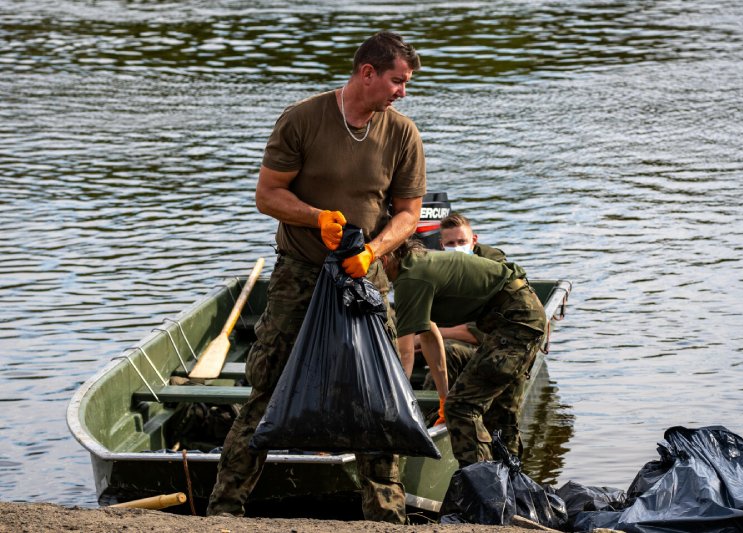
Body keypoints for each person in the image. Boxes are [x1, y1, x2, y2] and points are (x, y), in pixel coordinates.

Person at [206, 31, 426, 523]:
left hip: (365, 279)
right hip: (300, 275)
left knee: (379, 395)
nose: (402, 92)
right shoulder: (303, 118)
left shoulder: (402, 133)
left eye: (405, 84)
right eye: (397, 80)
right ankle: (224, 510)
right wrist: (315, 217)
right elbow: (268, 195)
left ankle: (386, 515)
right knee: (266, 388)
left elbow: (409, 214)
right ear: (367, 73)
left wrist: (372, 251)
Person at [381, 239, 546, 468]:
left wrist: (395, 407)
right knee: (499, 412)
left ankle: (484, 490)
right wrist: (443, 395)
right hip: (518, 318)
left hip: (515, 322)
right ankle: (510, 483)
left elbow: (406, 353)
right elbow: (430, 337)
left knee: (461, 408)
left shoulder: (410, 278)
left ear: (385, 257)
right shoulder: (416, 265)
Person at [419, 213, 507, 403]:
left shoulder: (489, 271)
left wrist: (432, 337)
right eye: (451, 244)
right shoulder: (436, 272)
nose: (457, 248)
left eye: (462, 241)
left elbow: (475, 333)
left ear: (474, 241)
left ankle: (431, 413)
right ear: (442, 245)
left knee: (448, 351)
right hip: (445, 339)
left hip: (487, 349)